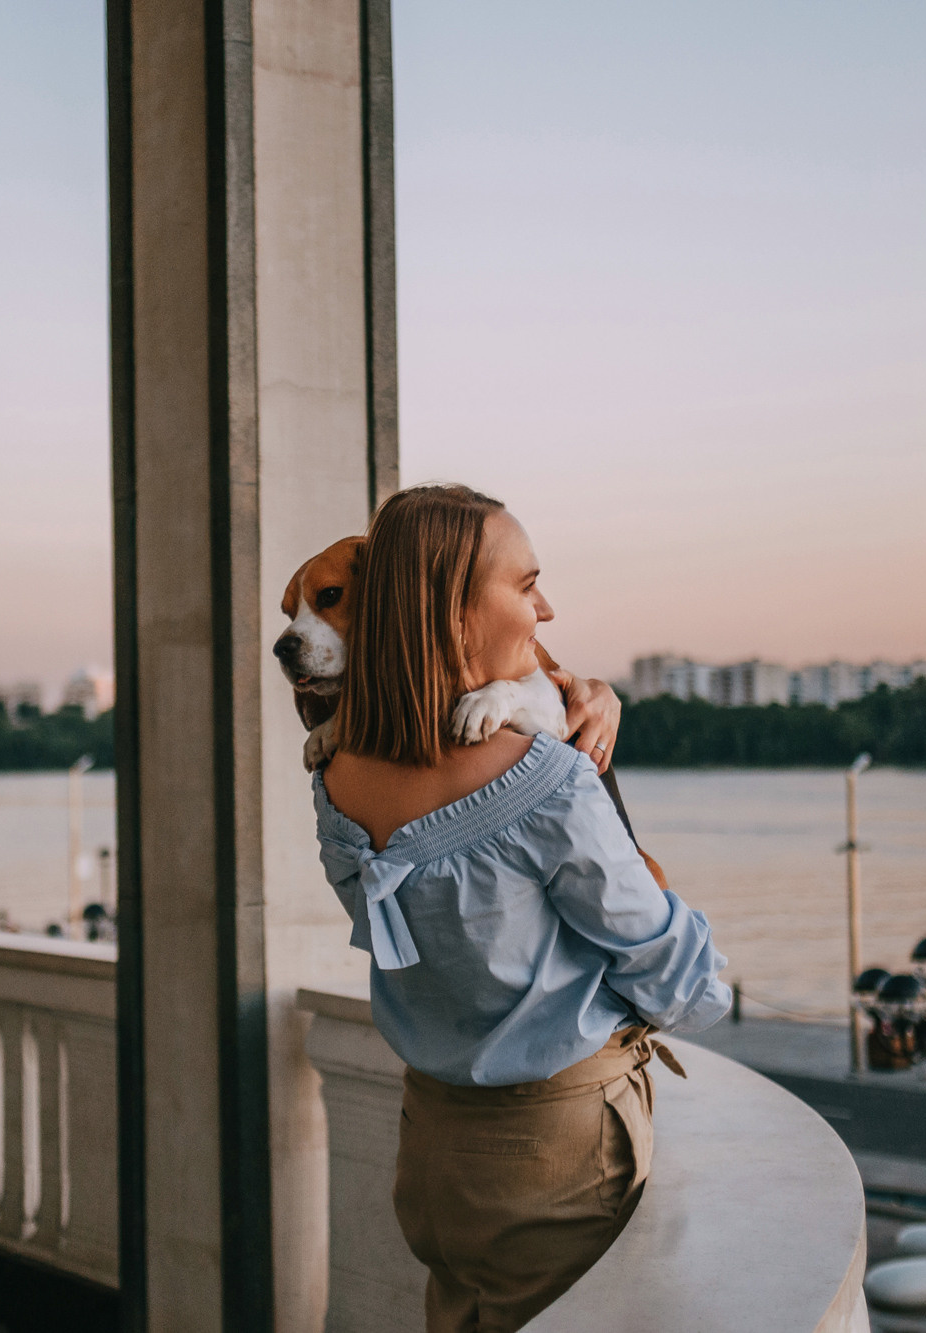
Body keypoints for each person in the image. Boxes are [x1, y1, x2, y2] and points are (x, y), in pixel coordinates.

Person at [313, 483, 732, 1333]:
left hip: (432, 1151)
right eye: (526, 584)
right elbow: (687, 985)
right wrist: (588, 763)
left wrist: (572, 701)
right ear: (454, 610)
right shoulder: (544, 781)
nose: (547, 606)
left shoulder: (333, 776)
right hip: (558, 1160)